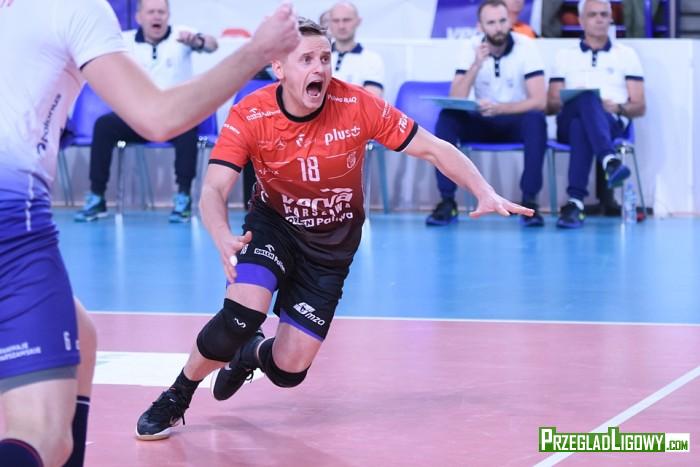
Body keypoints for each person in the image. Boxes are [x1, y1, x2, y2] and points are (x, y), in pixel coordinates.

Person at [134, 16, 532, 442]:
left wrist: (483, 190)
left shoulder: (357, 105)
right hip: (273, 227)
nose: (319, 68)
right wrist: (219, 233)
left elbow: (433, 149)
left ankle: (249, 354)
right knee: (241, 316)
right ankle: (177, 395)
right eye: (306, 59)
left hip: (331, 247)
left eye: (325, 58)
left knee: (289, 371)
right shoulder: (251, 112)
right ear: (278, 67)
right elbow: (213, 188)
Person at [0, 0, 300, 465]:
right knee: (42, 435)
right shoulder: (71, 8)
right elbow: (158, 116)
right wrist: (257, 51)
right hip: (11, 222)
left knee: (80, 335)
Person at [74, 0, 219, 223]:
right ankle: (97, 196)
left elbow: (212, 45)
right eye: (151, 12)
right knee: (104, 125)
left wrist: (198, 41)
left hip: (175, 118)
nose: (156, 16)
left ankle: (183, 197)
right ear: (139, 17)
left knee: (189, 124)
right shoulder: (124, 41)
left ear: (168, 15)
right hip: (138, 117)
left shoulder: (182, 36)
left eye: (161, 12)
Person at [427, 0, 547, 227]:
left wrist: (502, 108)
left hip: (513, 120)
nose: (498, 28)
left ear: (509, 21)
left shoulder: (526, 46)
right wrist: (476, 65)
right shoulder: (470, 47)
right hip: (481, 120)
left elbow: (540, 101)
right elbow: (456, 98)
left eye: (502, 21)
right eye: (491, 23)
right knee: (448, 117)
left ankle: (529, 202)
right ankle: (447, 201)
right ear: (480, 27)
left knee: (536, 120)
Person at [547, 0, 645, 228]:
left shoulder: (626, 55)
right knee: (586, 98)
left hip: (610, 122)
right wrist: (574, 98)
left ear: (611, 18)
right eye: (593, 15)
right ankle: (609, 161)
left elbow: (639, 106)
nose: (599, 19)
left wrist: (617, 107)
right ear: (581, 20)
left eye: (604, 14)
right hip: (567, 120)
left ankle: (575, 203)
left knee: (581, 125)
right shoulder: (564, 55)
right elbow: (550, 105)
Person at [328, 2, 385, 97]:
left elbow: (371, 100)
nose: (341, 26)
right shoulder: (318, 57)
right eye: (336, 20)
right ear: (329, 23)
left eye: (346, 20)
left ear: (358, 21)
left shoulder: (372, 59)